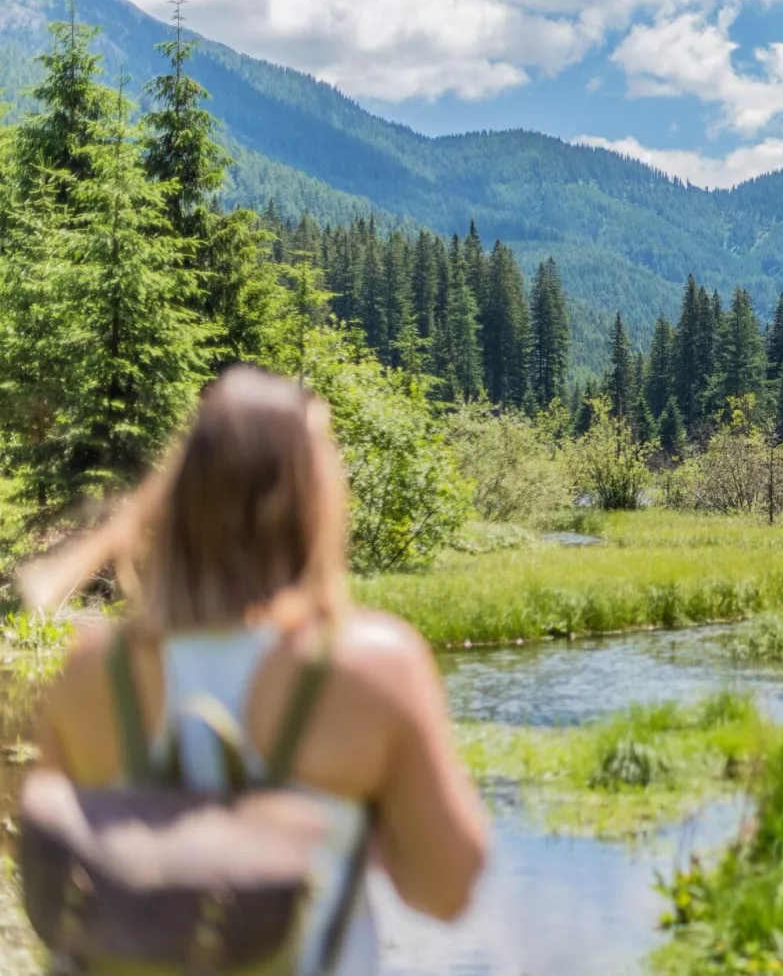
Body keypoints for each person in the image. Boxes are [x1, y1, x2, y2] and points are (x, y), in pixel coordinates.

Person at [21, 366, 488, 974]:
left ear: (181, 500)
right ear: (314, 506)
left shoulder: (93, 671)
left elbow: (50, 860)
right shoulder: (371, 666)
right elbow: (447, 890)